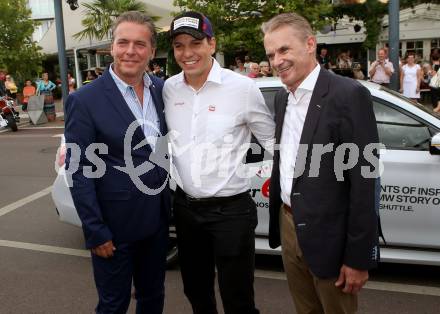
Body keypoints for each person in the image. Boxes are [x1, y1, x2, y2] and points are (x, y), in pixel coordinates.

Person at [262, 12, 379, 314]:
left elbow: (365, 183)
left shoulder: (349, 95)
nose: (277, 60)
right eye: (271, 54)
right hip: (289, 226)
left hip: (331, 236)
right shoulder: (281, 98)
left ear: (310, 44)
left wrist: (357, 258)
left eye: (284, 50)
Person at [163, 11, 275, 314]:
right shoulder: (168, 89)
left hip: (232, 213)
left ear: (212, 44)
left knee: (237, 297)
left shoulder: (243, 88)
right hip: (186, 210)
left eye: (195, 43)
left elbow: (275, 144)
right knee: (196, 291)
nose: (187, 53)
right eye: (179, 46)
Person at [64, 11, 170, 314]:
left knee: (153, 298)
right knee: (113, 305)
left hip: (157, 222)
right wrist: (95, 229)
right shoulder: (84, 100)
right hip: (113, 228)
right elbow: (78, 169)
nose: (130, 51)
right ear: (111, 47)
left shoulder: (163, 90)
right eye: (123, 42)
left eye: (140, 44)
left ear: (151, 50)